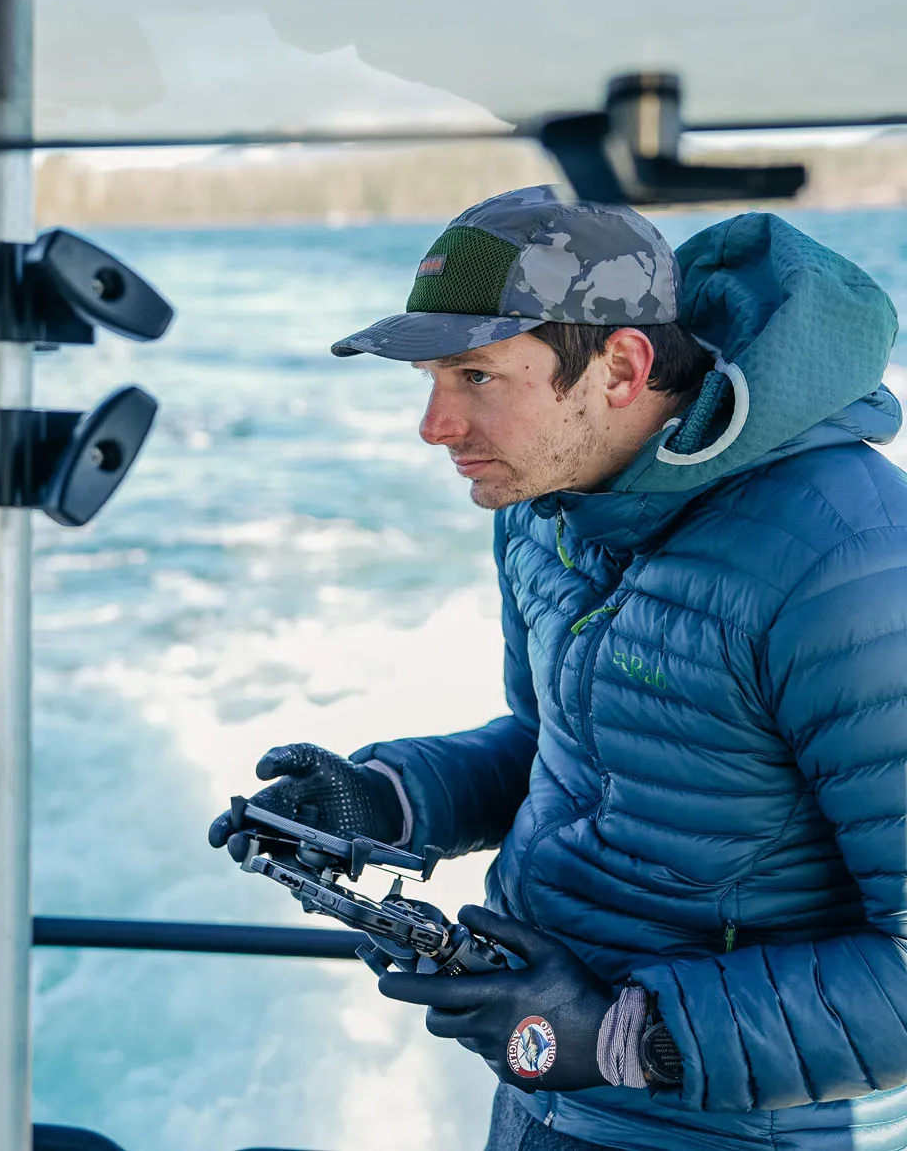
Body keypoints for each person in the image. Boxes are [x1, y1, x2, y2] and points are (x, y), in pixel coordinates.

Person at [209, 186, 907, 1150]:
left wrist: (627, 1037)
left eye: (475, 378)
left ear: (620, 367)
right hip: (547, 1104)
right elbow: (562, 751)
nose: (434, 425)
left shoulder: (851, 565)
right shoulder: (545, 512)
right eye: (431, 381)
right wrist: (383, 800)